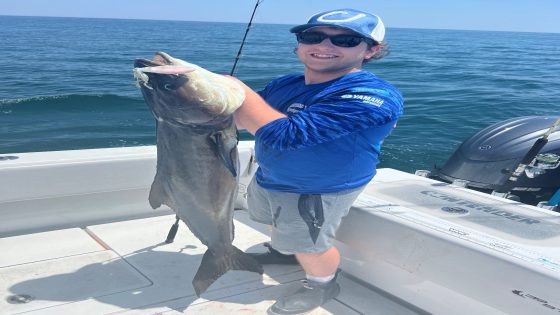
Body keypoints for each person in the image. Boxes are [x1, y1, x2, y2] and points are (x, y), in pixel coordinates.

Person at [231, 8, 404, 315]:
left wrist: (237, 90)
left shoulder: (371, 95)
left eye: (346, 40)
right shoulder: (287, 84)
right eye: (312, 36)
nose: (324, 46)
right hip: (271, 175)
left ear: (371, 50)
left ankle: (322, 282)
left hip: (318, 189)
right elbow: (243, 118)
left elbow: (286, 135)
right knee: (276, 223)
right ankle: (285, 252)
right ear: (299, 43)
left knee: (309, 244)